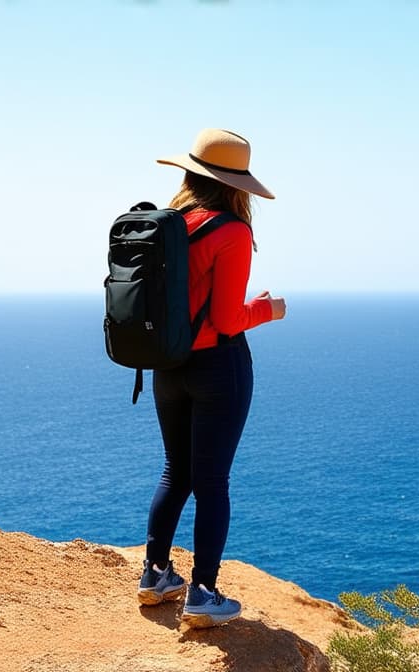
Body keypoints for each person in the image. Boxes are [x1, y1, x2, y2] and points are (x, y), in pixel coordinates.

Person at [136, 128, 287, 628]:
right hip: (218, 368)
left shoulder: (167, 225)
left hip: (166, 363)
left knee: (174, 471)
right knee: (212, 481)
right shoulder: (232, 231)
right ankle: (203, 591)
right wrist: (266, 309)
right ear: (237, 184)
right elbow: (225, 319)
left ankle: (155, 575)